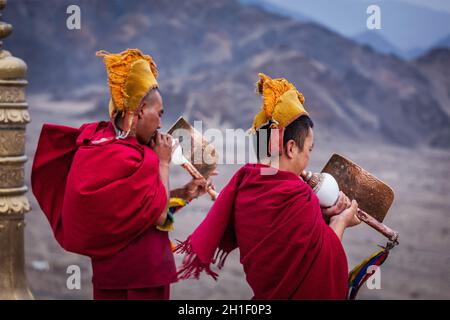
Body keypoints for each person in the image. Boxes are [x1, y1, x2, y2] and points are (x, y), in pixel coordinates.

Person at [31, 48, 212, 300]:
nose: (160, 124)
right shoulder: (145, 158)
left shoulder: (96, 144)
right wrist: (162, 162)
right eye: (158, 114)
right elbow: (159, 217)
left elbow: (138, 210)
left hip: (108, 278)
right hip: (145, 277)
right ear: (139, 111)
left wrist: (185, 194)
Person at [176, 73, 361, 299]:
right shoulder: (298, 195)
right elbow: (319, 266)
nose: (308, 159)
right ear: (291, 148)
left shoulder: (246, 185)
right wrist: (341, 221)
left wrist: (321, 218)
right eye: (309, 150)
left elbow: (290, 245)